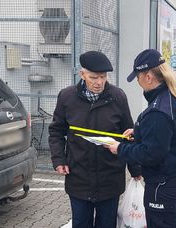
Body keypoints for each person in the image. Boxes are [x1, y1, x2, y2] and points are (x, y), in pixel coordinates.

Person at [104, 49, 176, 228]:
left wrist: (119, 148)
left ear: (148, 76)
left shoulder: (158, 110)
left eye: (138, 77)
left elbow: (151, 154)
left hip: (164, 181)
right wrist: (139, 130)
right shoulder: (172, 96)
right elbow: (169, 134)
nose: (137, 82)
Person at [49, 51, 140, 228]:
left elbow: (128, 135)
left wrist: (135, 169)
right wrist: (58, 159)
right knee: (81, 223)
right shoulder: (67, 97)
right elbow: (56, 131)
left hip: (110, 177)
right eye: (93, 77)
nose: (99, 82)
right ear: (82, 74)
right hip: (79, 176)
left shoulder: (118, 96)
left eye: (103, 77)